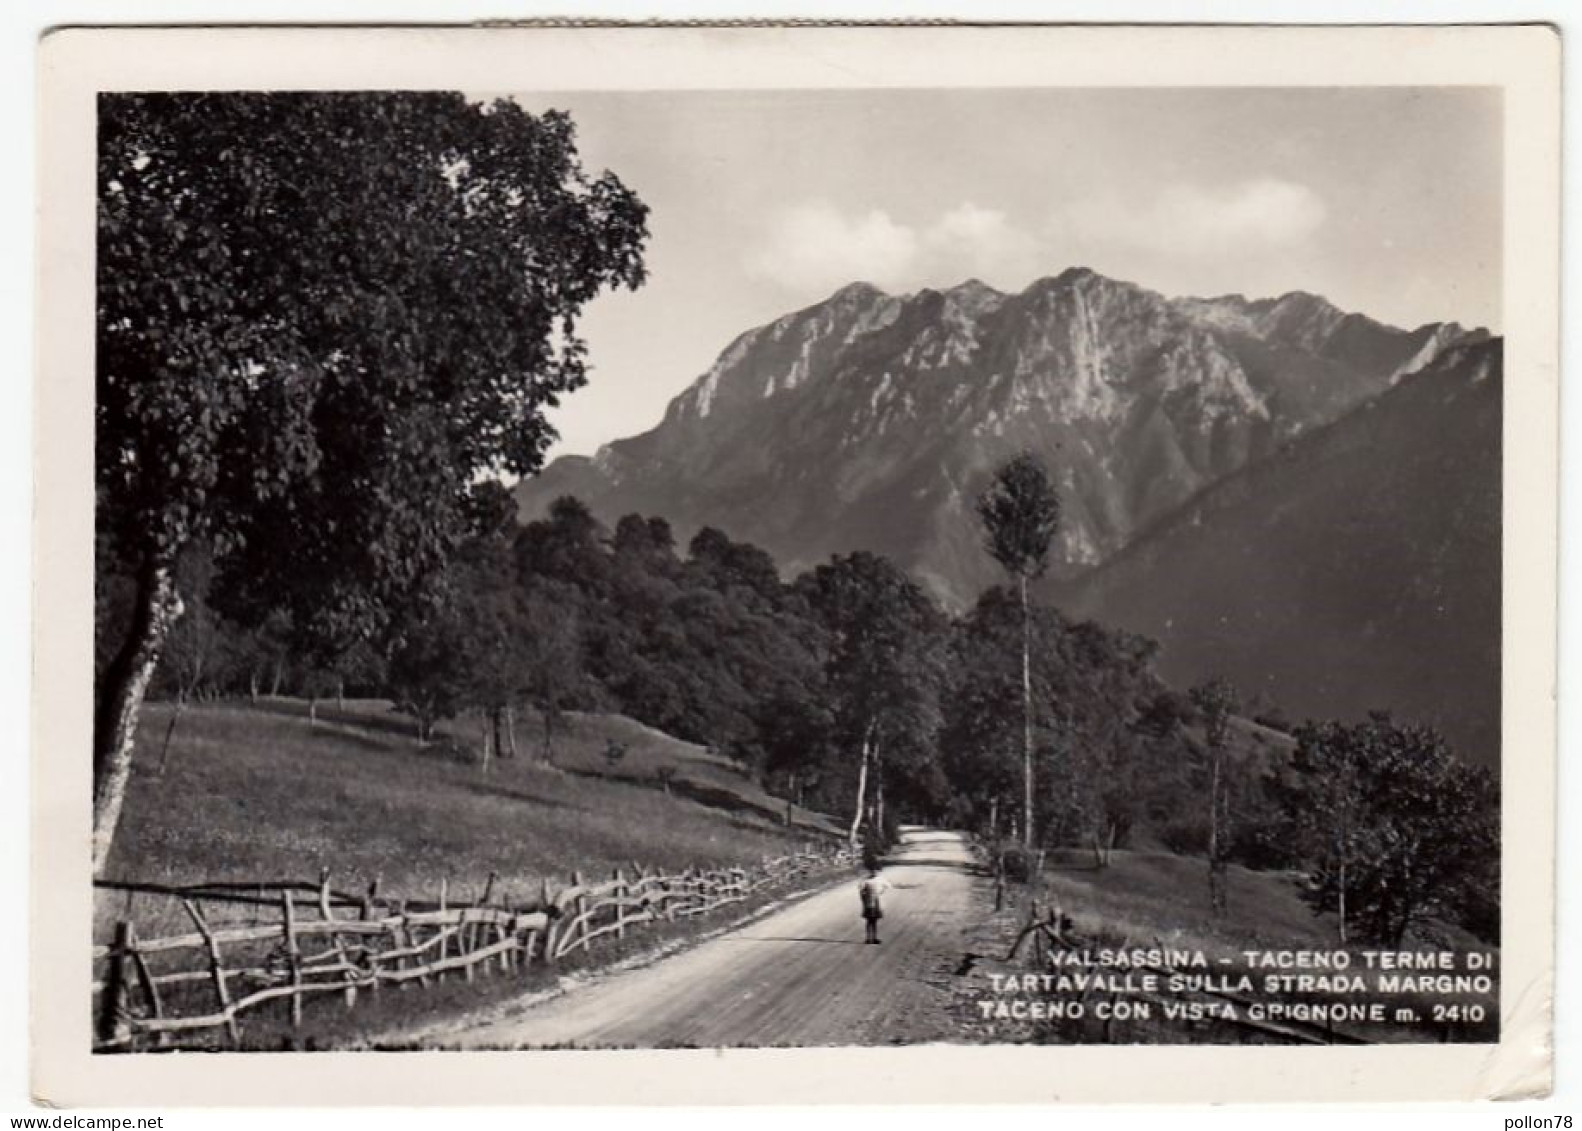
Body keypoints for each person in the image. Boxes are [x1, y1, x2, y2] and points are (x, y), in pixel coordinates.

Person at [858, 868, 890, 944]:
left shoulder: (881, 879)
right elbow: (861, 891)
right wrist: (863, 901)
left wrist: (882, 891)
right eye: (872, 871)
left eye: (876, 871)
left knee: (875, 921)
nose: (874, 872)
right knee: (869, 920)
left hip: (877, 902)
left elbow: (887, 886)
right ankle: (868, 938)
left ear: (878, 871)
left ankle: (875, 938)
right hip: (869, 902)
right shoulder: (866, 880)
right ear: (869, 871)